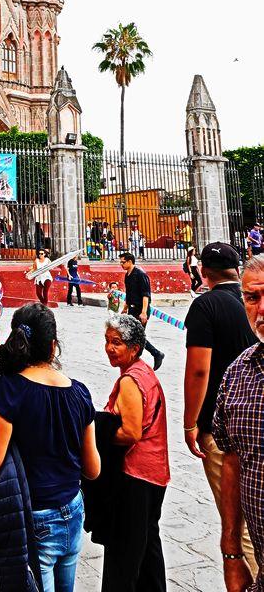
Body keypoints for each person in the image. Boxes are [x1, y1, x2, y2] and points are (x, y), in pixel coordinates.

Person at [0, 303, 100, 591]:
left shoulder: (10, 390)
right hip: (73, 510)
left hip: (35, 519)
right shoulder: (80, 393)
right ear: (53, 346)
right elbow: (93, 469)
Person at [182, 241, 258, 577]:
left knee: (241, 522)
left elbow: (199, 370)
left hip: (221, 427)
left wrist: (190, 423)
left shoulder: (205, 305)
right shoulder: (248, 302)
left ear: (202, 271)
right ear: (237, 270)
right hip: (253, 421)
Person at [102, 314, 170, 591]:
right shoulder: (144, 371)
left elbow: (131, 433)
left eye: (117, 342)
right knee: (147, 545)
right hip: (155, 471)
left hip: (136, 474)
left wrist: (98, 435)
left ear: (135, 348)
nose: (109, 348)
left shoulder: (131, 380)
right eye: (107, 341)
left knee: (125, 551)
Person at [213, 256, 264, 592]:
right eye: (252, 298)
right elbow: (232, 460)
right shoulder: (238, 374)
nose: (261, 311)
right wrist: (231, 553)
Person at [120, 252, 165, 371]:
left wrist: (144, 312)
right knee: (131, 335)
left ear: (130, 261)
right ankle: (149, 355)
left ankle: (154, 354)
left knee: (136, 336)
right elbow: (129, 293)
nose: (121, 264)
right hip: (132, 309)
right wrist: (125, 307)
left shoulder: (141, 275)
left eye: (123, 262)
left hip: (141, 310)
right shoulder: (127, 275)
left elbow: (146, 295)